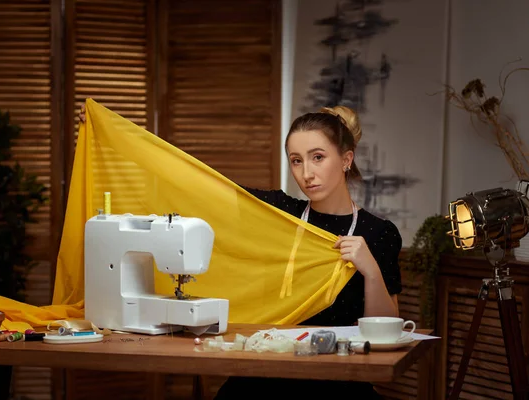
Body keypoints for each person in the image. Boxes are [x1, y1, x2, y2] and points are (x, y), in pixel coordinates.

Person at [79, 104, 402, 399]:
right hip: (269, 371)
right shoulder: (277, 213)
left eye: (318, 157)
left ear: (346, 159)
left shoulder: (377, 233)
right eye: (296, 160)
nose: (306, 173)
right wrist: (112, 139)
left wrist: (370, 270)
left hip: (338, 380)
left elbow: (387, 330)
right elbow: (197, 185)